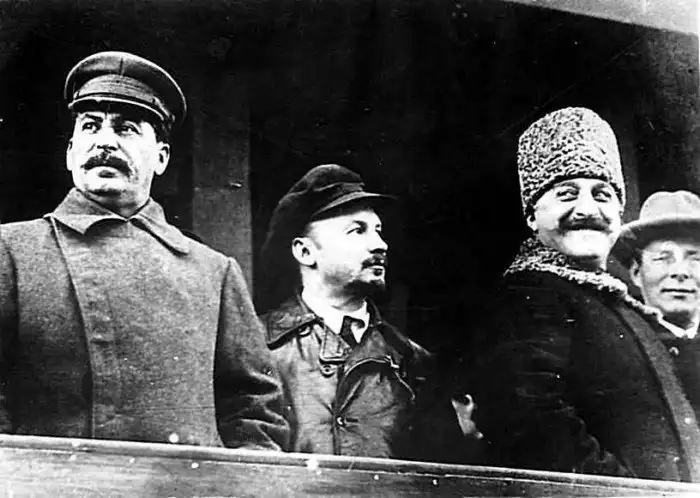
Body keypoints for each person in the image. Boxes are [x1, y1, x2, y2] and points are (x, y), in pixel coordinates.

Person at [0, 51, 288, 449]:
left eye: (126, 129)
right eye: (90, 126)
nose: (104, 141)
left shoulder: (213, 272)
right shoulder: (12, 252)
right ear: (69, 153)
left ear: (162, 158)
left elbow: (254, 413)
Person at [463, 107, 700, 481]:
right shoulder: (529, 293)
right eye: (567, 194)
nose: (587, 209)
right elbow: (531, 425)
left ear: (619, 212)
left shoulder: (615, 304)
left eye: (602, 194)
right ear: (532, 215)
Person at [258, 164, 480, 461]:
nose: (380, 245)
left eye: (378, 231)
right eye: (357, 231)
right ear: (305, 252)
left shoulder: (415, 362)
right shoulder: (257, 346)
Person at [616, 190, 700, 425]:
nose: (680, 272)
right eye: (663, 258)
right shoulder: (618, 346)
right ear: (636, 272)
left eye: (695, 259)